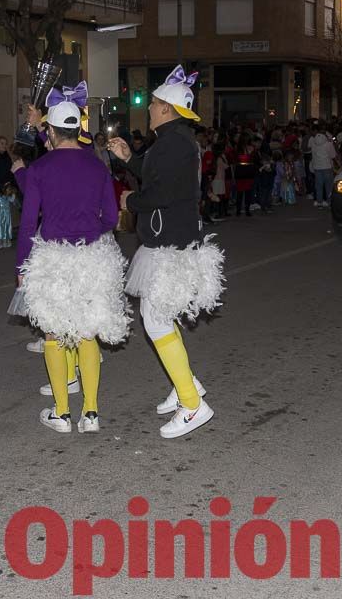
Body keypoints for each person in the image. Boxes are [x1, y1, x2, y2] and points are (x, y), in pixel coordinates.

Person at [107, 66, 225, 439]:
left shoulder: (174, 143)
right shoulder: (174, 140)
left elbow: (163, 193)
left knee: (156, 320)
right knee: (163, 318)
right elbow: (157, 175)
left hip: (169, 245)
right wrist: (129, 158)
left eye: (155, 103)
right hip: (171, 241)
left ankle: (193, 404)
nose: (150, 107)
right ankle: (186, 383)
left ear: (167, 109)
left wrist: (131, 200)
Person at [13, 83, 127, 435]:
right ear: (78, 128)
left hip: (52, 258)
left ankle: (62, 412)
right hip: (92, 255)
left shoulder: (40, 169)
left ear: (49, 130)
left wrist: (21, 266)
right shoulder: (97, 167)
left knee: (54, 334)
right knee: (87, 333)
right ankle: (90, 413)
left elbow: (28, 222)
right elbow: (110, 217)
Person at [306, 126, 338, 208]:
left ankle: (319, 202)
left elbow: (312, 155)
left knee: (319, 186)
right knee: (329, 186)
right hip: (327, 167)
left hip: (317, 167)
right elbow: (333, 155)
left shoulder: (313, 144)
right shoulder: (328, 144)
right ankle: (329, 202)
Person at [0, 183, 17, 248]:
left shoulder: (8, 197)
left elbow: (12, 200)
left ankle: (5, 241)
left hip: (6, 215)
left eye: (10, 190)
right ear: (4, 189)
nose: (9, 191)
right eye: (8, 189)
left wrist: (14, 193)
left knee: (5, 227)